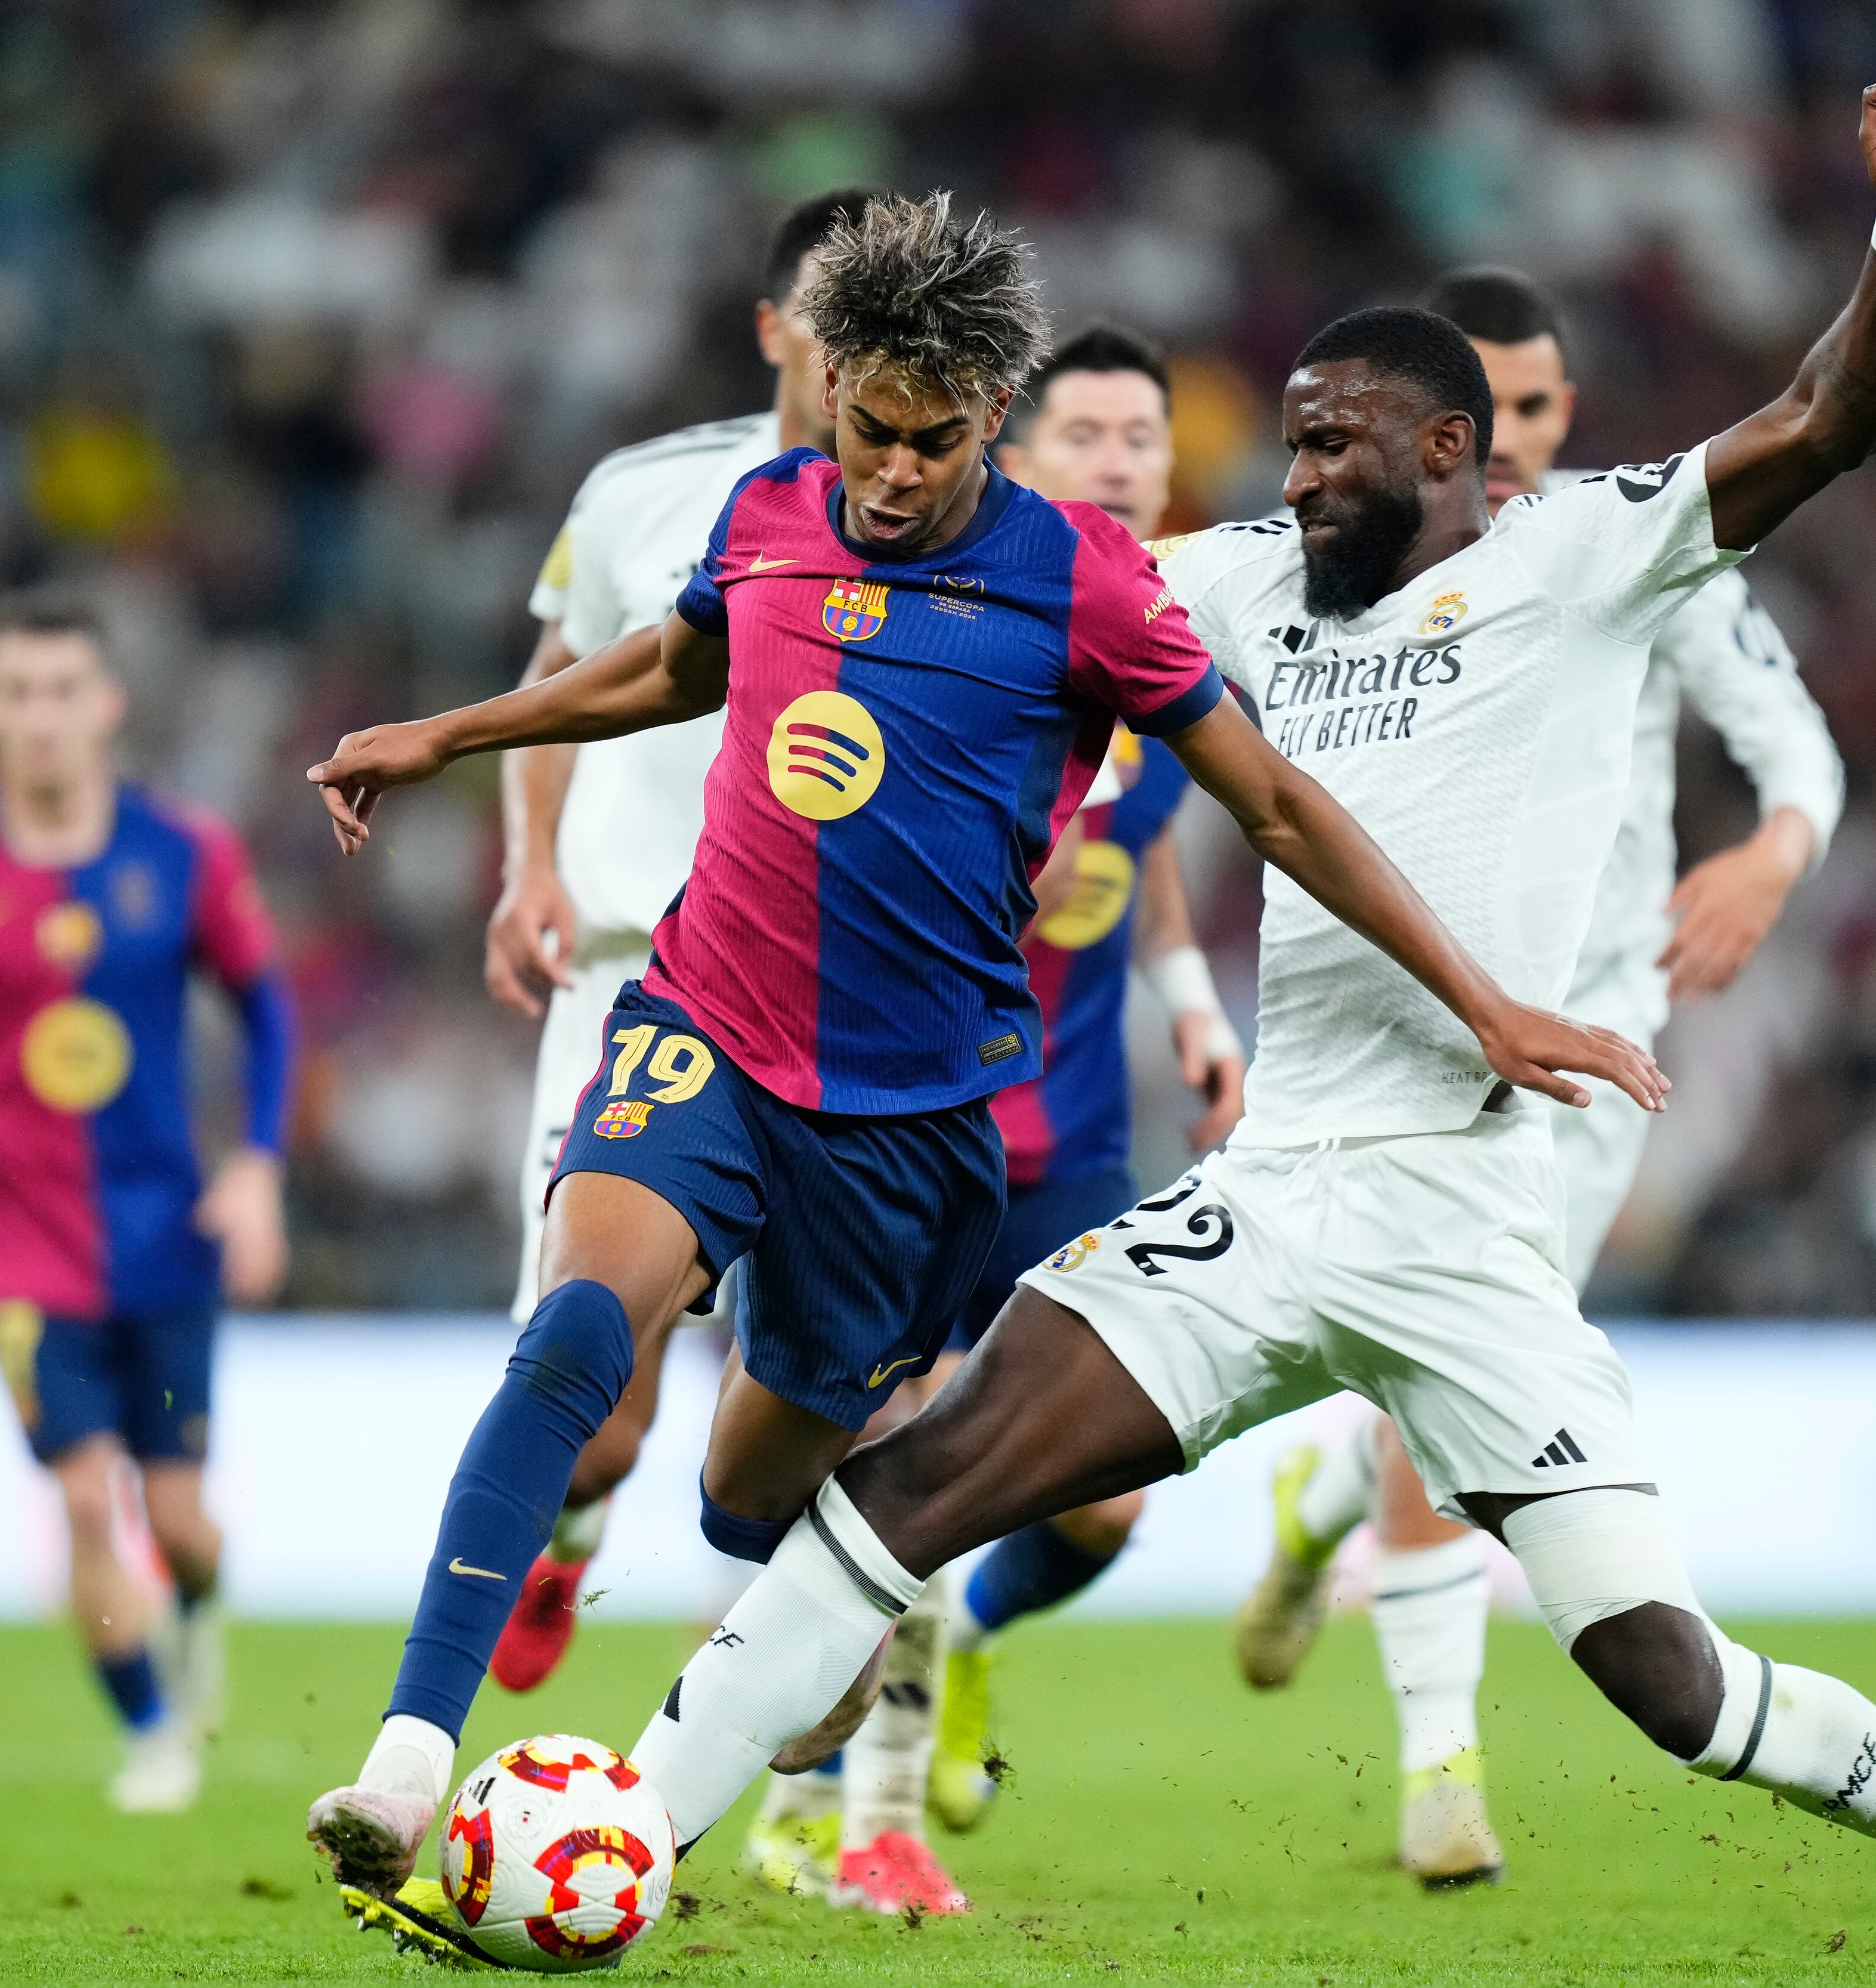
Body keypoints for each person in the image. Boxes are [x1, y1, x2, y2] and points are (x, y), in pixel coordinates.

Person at [610, 76, 1876, 1973]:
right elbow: (995, 593)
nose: (1298, 474)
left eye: (1334, 446)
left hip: (1473, 1226)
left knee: (1671, 1678)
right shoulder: (1239, 581)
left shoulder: (1587, 553)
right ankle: (626, 1832)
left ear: (1451, 445)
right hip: (1276, 1191)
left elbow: (1830, 419)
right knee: (909, 1488)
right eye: (1292, 445)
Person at [301, 191, 1652, 1927]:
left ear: (991, 421)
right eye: (870, 431)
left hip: (914, 1130)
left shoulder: (1087, 583)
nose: (892, 473)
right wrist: (447, 733)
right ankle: (411, 1756)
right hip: (705, 1024)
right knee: (578, 1325)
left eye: (936, 444)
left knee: (747, 1492)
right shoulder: (772, 510)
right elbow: (669, 665)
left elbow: (1278, 803)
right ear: (834, 391)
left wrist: (1481, 998)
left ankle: (822, 1659)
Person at [1230, 264, 1846, 1889]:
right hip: (1396, 1040)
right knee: (1446, 1393)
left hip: (1594, 1042)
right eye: (1492, 407)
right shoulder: (1341, 588)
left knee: (1442, 1401)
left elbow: (1797, 747)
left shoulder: (1623, 552)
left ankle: (1320, 1503)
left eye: (1546, 407)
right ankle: (1440, 1764)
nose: (1516, 442)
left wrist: (1773, 853)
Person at [746, 321, 1250, 1913]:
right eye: (1082, 431)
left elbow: (1146, 842)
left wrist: (1188, 1002)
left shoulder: (1157, 659)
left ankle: (937, 1656)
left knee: (1100, 1504)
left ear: (1170, 467)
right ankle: (854, 1805)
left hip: (1077, 1144)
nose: (1114, 456)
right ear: (1015, 462)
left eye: (1138, 436)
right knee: (906, 1458)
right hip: (906, 1122)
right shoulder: (945, 651)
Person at [481, 188, 879, 1702]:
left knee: (818, 1389)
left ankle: (821, 1711)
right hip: (629, 975)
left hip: (836, 1006)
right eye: (837, 326)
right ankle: (570, 1539)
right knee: (607, 1403)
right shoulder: (644, 490)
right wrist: (529, 865)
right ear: (779, 328)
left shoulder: (951, 517)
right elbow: (555, 680)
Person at [0, 586, 293, 1813]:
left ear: (106, 705)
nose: (43, 715)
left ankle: (197, 1602)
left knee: (179, 1515)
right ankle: (153, 1732)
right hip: (18, 1239)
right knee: (81, 1493)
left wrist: (256, 1166)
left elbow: (265, 1008)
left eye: (63, 691)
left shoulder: (185, 853)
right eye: (18, 692)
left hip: (167, 1232)